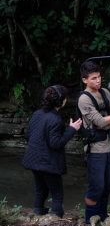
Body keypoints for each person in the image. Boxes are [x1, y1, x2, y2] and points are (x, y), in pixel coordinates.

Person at [78, 61, 110, 224]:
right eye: (93, 78)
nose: (98, 81)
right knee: (96, 187)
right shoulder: (83, 99)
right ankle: (89, 220)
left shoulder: (105, 92)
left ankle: (103, 216)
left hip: (109, 144)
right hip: (95, 148)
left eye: (99, 77)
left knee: (109, 185)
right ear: (85, 80)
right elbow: (100, 122)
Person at [22, 85, 82, 217]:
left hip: (33, 159)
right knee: (56, 192)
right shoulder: (56, 119)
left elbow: (28, 136)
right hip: (48, 163)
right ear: (62, 101)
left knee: (40, 188)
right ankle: (56, 215)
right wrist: (72, 129)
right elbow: (56, 143)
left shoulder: (37, 114)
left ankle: (38, 210)